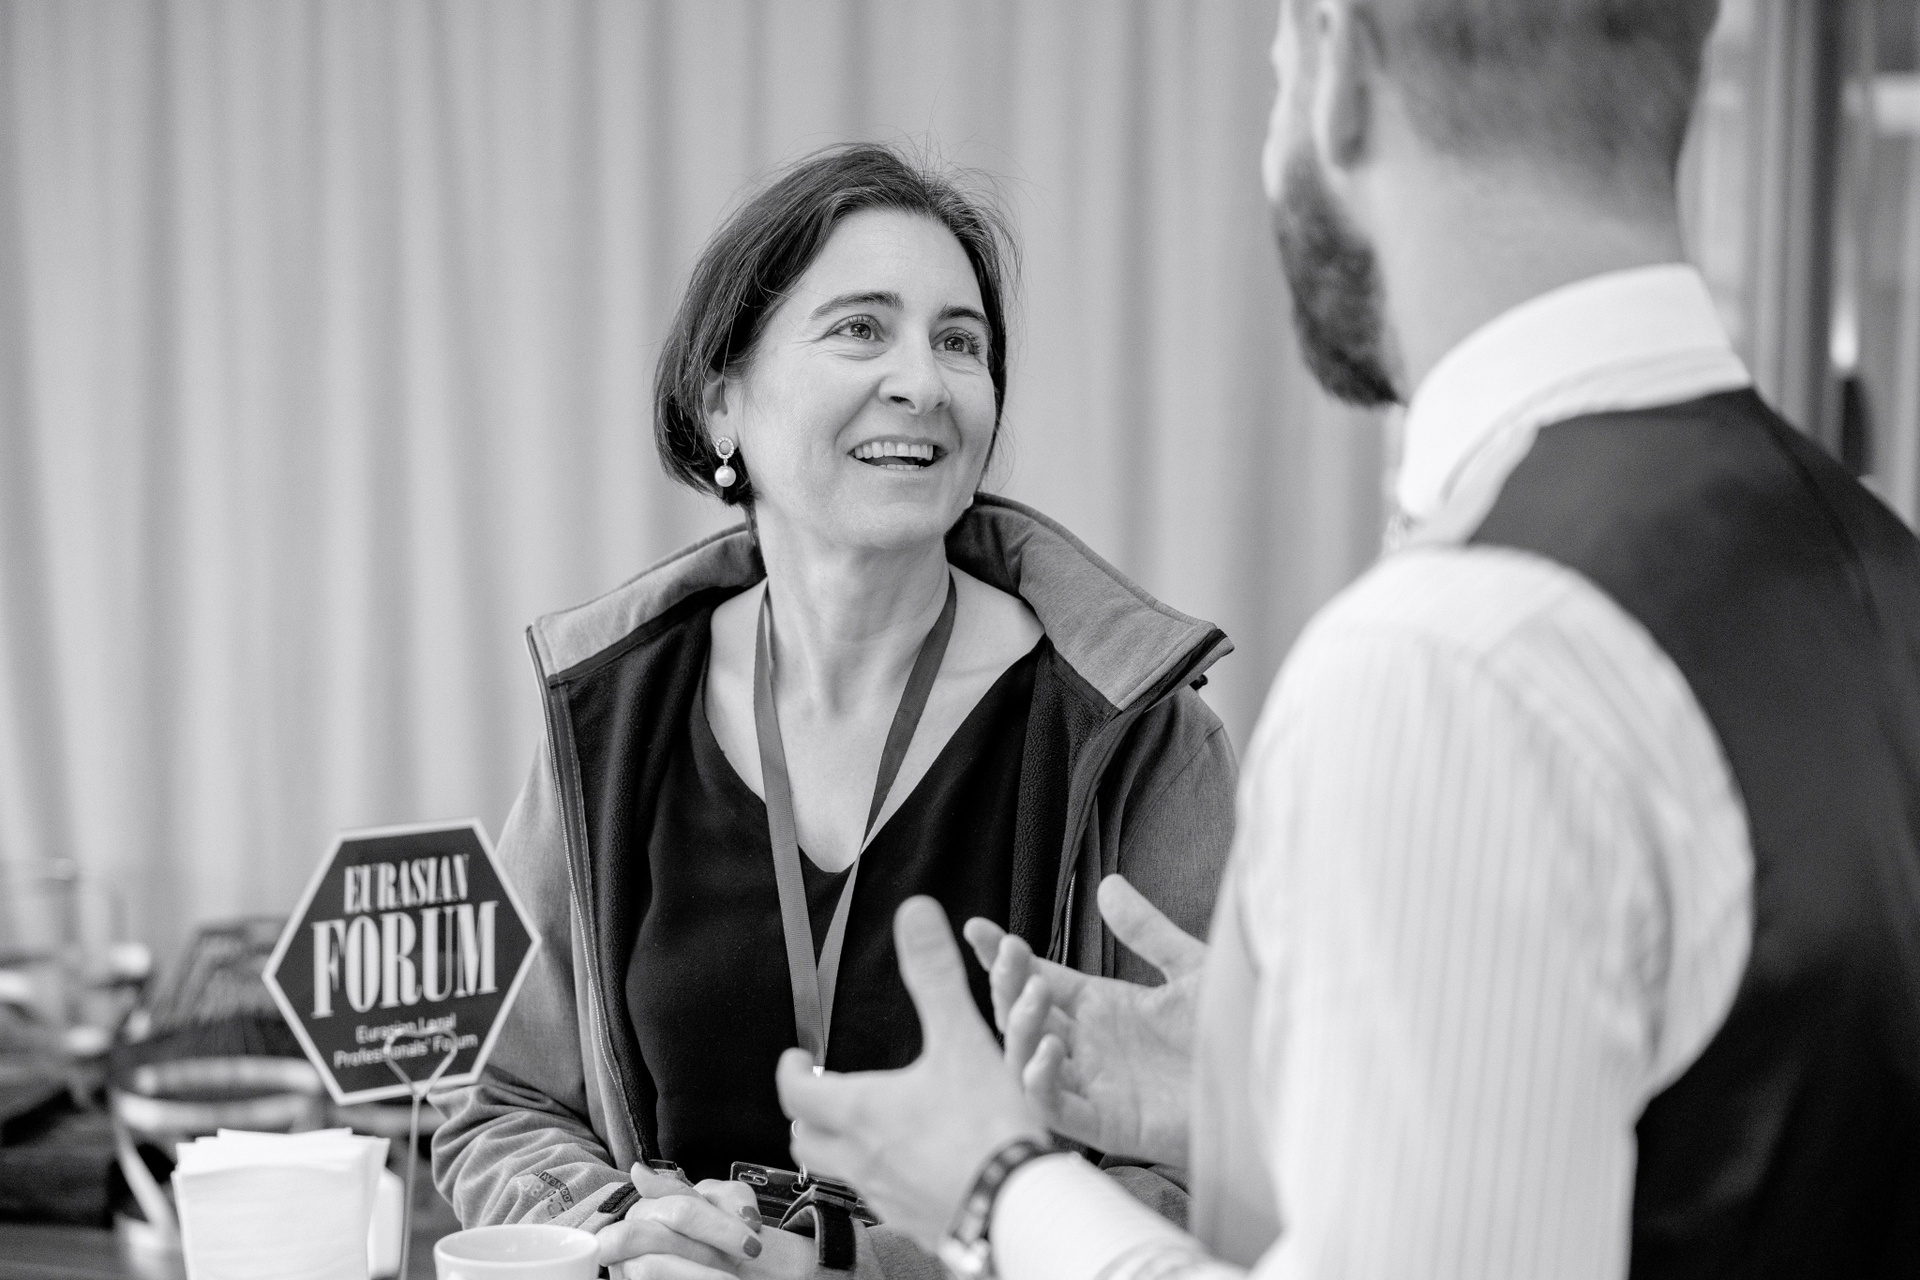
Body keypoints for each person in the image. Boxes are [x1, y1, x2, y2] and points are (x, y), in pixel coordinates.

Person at [776, 3, 1920, 1278]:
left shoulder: (1449, 663)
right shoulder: (1882, 563)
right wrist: (1284, 1090)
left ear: (1336, 67)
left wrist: (998, 1182)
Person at [430, 143, 1239, 1279]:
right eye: (862, 328)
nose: (925, 382)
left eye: (960, 342)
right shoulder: (611, 711)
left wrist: (839, 1262)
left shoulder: (1135, 735)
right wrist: (634, 1233)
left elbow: (1195, 1173)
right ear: (722, 403)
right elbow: (503, 1098)